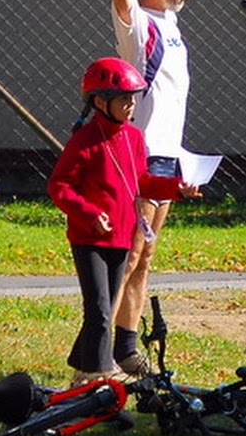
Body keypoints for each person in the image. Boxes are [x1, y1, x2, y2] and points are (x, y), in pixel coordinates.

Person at [48, 58, 199, 387]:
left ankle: (82, 370)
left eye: (134, 99)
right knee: (100, 307)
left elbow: (142, 181)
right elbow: (58, 186)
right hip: (90, 238)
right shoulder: (84, 140)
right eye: (124, 100)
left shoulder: (132, 137)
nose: (131, 106)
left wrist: (177, 187)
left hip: (122, 236)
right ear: (100, 102)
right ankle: (100, 373)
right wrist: (88, 213)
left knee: (103, 308)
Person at [109, 0, 199, 376]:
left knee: (147, 254)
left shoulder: (170, 21)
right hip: (139, 158)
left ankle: (128, 344)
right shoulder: (139, 25)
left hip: (169, 156)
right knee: (130, 252)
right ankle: (102, 347)